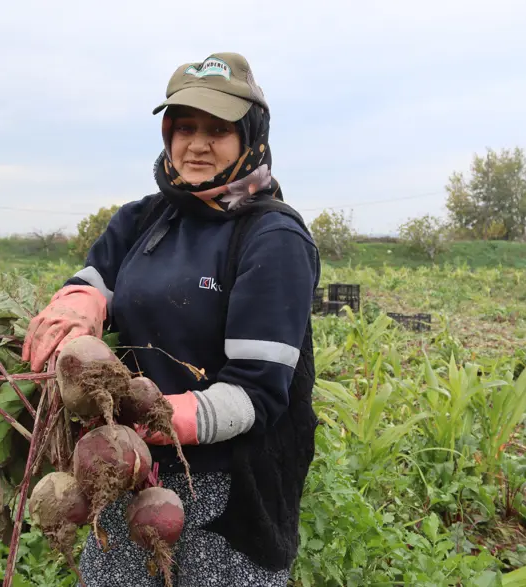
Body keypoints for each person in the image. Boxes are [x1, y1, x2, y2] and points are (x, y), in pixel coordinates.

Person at [22, 52, 321, 587]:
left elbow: (258, 392)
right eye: (185, 128)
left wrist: (157, 418)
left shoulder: (272, 238)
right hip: (124, 474)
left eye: (219, 129)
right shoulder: (144, 217)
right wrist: (79, 300)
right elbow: (98, 275)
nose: (198, 144)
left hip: (227, 491)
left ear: (250, 136)